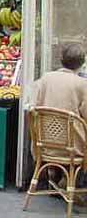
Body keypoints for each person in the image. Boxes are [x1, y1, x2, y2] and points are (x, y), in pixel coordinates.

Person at [32, 43, 87, 193]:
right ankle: (74, 183)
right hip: (72, 148)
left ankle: (58, 178)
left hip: (44, 144)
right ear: (82, 63)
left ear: (61, 59)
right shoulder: (82, 84)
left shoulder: (46, 78)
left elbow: (34, 106)